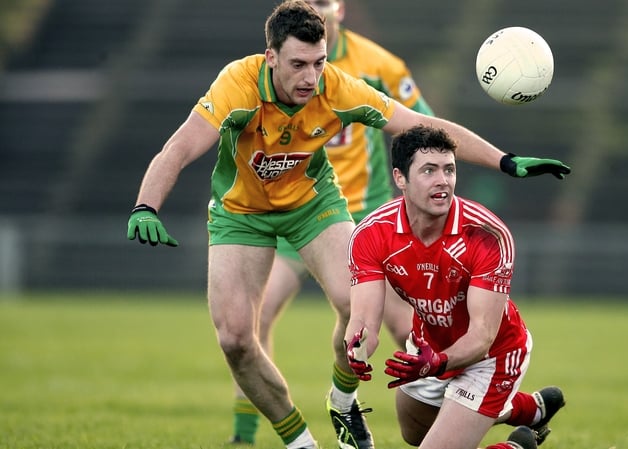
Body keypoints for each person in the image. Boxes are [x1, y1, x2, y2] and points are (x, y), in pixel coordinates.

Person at [126, 2, 570, 449]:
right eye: (298, 65)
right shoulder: (236, 85)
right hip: (240, 214)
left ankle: (342, 402)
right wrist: (146, 206)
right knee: (236, 338)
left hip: (312, 204)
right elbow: (180, 147)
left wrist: (505, 161)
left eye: (318, 64)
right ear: (271, 57)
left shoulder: (336, 86)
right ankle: (299, 443)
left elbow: (419, 124)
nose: (309, 78)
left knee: (355, 306)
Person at [228, 0, 434, 444]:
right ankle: (243, 437)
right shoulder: (275, 68)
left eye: (324, 2)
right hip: (295, 208)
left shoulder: (379, 65)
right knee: (250, 324)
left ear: (339, 8)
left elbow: (424, 128)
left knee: (400, 325)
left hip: (364, 213)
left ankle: (436, 414)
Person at [344, 125, 566, 449]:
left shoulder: (486, 235)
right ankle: (528, 409)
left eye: (449, 169)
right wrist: (357, 346)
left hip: (492, 355)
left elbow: (482, 335)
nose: (443, 181)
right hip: (427, 346)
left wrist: (437, 362)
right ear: (400, 178)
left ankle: (517, 446)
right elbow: (364, 319)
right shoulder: (371, 234)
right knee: (414, 434)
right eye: (429, 170)